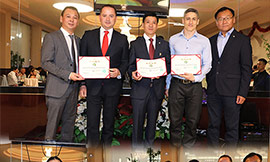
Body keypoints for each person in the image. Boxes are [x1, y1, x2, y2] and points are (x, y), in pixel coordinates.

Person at [80, 4, 129, 146]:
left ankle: (106, 153)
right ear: (100, 17)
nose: (108, 19)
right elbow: (82, 61)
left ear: (116, 19)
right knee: (92, 123)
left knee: (109, 124)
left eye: (111, 16)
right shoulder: (88, 36)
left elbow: (125, 61)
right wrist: (82, 84)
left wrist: (119, 71)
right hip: (92, 86)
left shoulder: (122, 39)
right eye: (104, 15)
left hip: (112, 87)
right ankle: (92, 154)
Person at [206, 7, 252, 146]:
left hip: (233, 92)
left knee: (232, 127)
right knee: (213, 125)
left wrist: (243, 92)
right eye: (220, 19)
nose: (224, 21)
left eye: (227, 18)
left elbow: (246, 68)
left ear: (233, 20)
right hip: (213, 90)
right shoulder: (211, 40)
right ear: (216, 22)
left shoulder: (242, 40)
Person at [166, 8, 212, 147]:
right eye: (187, 18)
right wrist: (168, 86)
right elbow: (170, 64)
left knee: (193, 121)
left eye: (193, 19)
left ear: (197, 21)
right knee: (175, 120)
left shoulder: (204, 41)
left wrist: (196, 77)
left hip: (195, 86)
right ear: (183, 21)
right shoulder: (173, 40)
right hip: (176, 84)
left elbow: (208, 64)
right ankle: (175, 148)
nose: (190, 21)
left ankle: (187, 149)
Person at [41, 6, 84, 142]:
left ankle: (66, 152)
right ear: (61, 18)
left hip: (73, 90)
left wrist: (82, 83)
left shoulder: (78, 41)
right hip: (56, 90)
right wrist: (68, 74)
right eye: (68, 16)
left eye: (75, 17)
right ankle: (48, 156)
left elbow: (80, 65)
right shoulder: (51, 37)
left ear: (78, 22)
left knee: (69, 127)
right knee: (51, 129)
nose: (71, 20)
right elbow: (46, 62)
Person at [128, 12, 171, 147]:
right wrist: (133, 74)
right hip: (140, 89)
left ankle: (149, 152)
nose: (151, 25)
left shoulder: (164, 44)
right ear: (143, 24)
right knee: (137, 125)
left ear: (157, 25)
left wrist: (163, 72)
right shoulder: (135, 44)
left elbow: (169, 64)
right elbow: (130, 66)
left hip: (156, 91)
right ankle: (136, 153)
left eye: (154, 22)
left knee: (152, 124)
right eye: (148, 22)